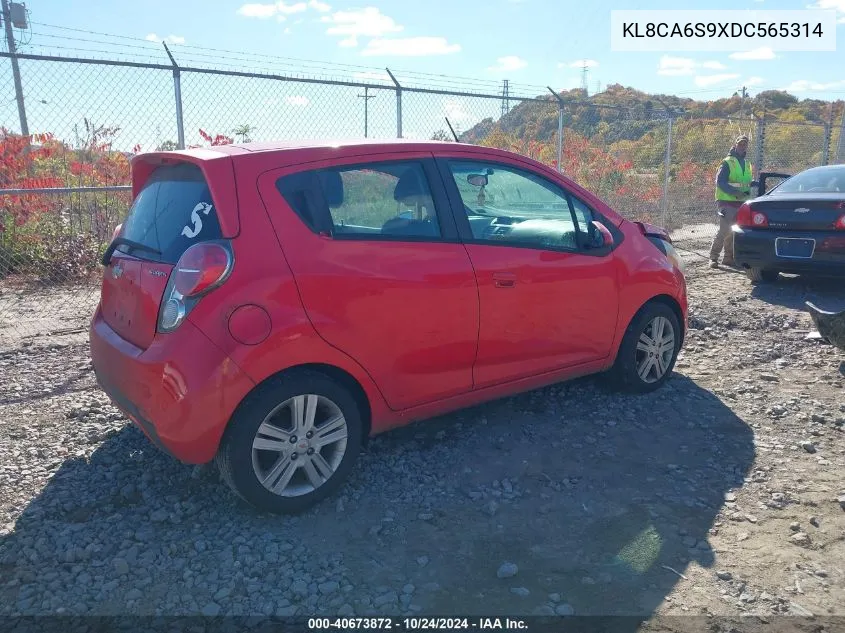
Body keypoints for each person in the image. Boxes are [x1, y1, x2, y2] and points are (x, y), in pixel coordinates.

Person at [710, 135, 757, 268]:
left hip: (741, 203)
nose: (743, 146)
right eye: (740, 143)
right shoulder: (727, 162)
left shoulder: (747, 164)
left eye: (745, 144)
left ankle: (728, 258)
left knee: (733, 231)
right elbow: (720, 182)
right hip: (727, 201)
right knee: (724, 230)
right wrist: (735, 193)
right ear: (735, 145)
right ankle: (713, 257)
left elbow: (744, 182)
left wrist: (755, 184)